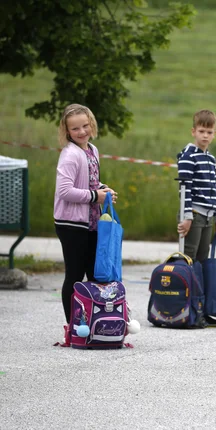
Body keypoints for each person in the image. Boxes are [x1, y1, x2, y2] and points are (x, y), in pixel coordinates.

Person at [54, 104, 118, 343]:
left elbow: (90, 181)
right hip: (71, 224)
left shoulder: (92, 149)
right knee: (75, 274)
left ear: (91, 123)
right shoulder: (70, 154)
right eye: (75, 128)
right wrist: (94, 196)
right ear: (67, 131)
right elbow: (64, 191)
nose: (81, 131)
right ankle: (72, 328)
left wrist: (103, 189)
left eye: (84, 125)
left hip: (91, 222)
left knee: (94, 274)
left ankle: (92, 322)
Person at [176, 109, 216, 327]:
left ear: (214, 134)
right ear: (193, 131)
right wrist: (186, 216)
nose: (205, 135)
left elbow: (214, 190)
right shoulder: (188, 156)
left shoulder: (210, 159)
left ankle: (200, 310)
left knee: (203, 263)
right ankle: (182, 306)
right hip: (193, 215)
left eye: (210, 132)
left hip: (208, 216)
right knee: (188, 259)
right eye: (202, 131)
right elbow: (184, 188)